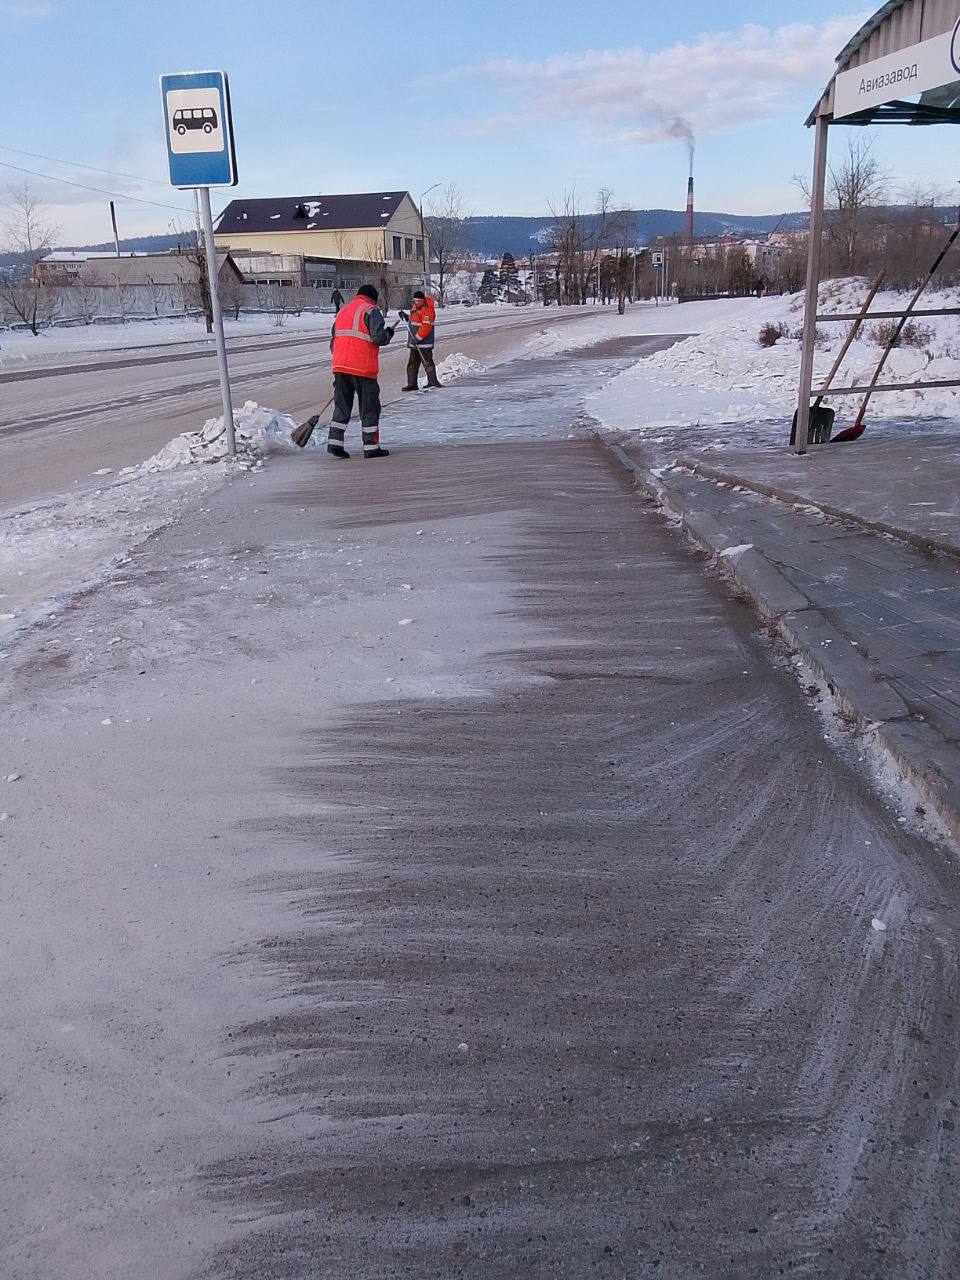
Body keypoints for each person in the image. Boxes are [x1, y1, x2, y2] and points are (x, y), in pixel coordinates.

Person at [327, 285, 395, 460]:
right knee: (369, 407)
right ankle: (371, 447)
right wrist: (388, 334)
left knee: (342, 406)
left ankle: (335, 443)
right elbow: (378, 337)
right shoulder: (371, 311)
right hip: (362, 367)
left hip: (340, 366)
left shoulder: (343, 312)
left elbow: (333, 340)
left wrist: (341, 361)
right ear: (372, 298)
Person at [401, 290, 441, 391]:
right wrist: (406, 317)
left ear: (423, 300)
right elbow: (415, 319)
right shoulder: (415, 308)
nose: (417, 302)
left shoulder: (428, 310)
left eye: (419, 301)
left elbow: (426, 326)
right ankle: (412, 384)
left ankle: (433, 382)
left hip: (424, 343)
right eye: (416, 301)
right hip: (415, 343)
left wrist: (417, 338)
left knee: (427, 363)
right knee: (412, 364)